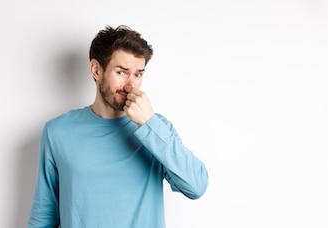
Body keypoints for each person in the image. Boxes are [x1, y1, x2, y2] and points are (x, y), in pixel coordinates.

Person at [27, 25, 209, 228]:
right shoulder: (58, 132)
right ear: (97, 70)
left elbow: (196, 186)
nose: (131, 84)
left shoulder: (157, 128)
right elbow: (44, 216)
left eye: (138, 74)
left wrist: (148, 123)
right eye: (122, 72)